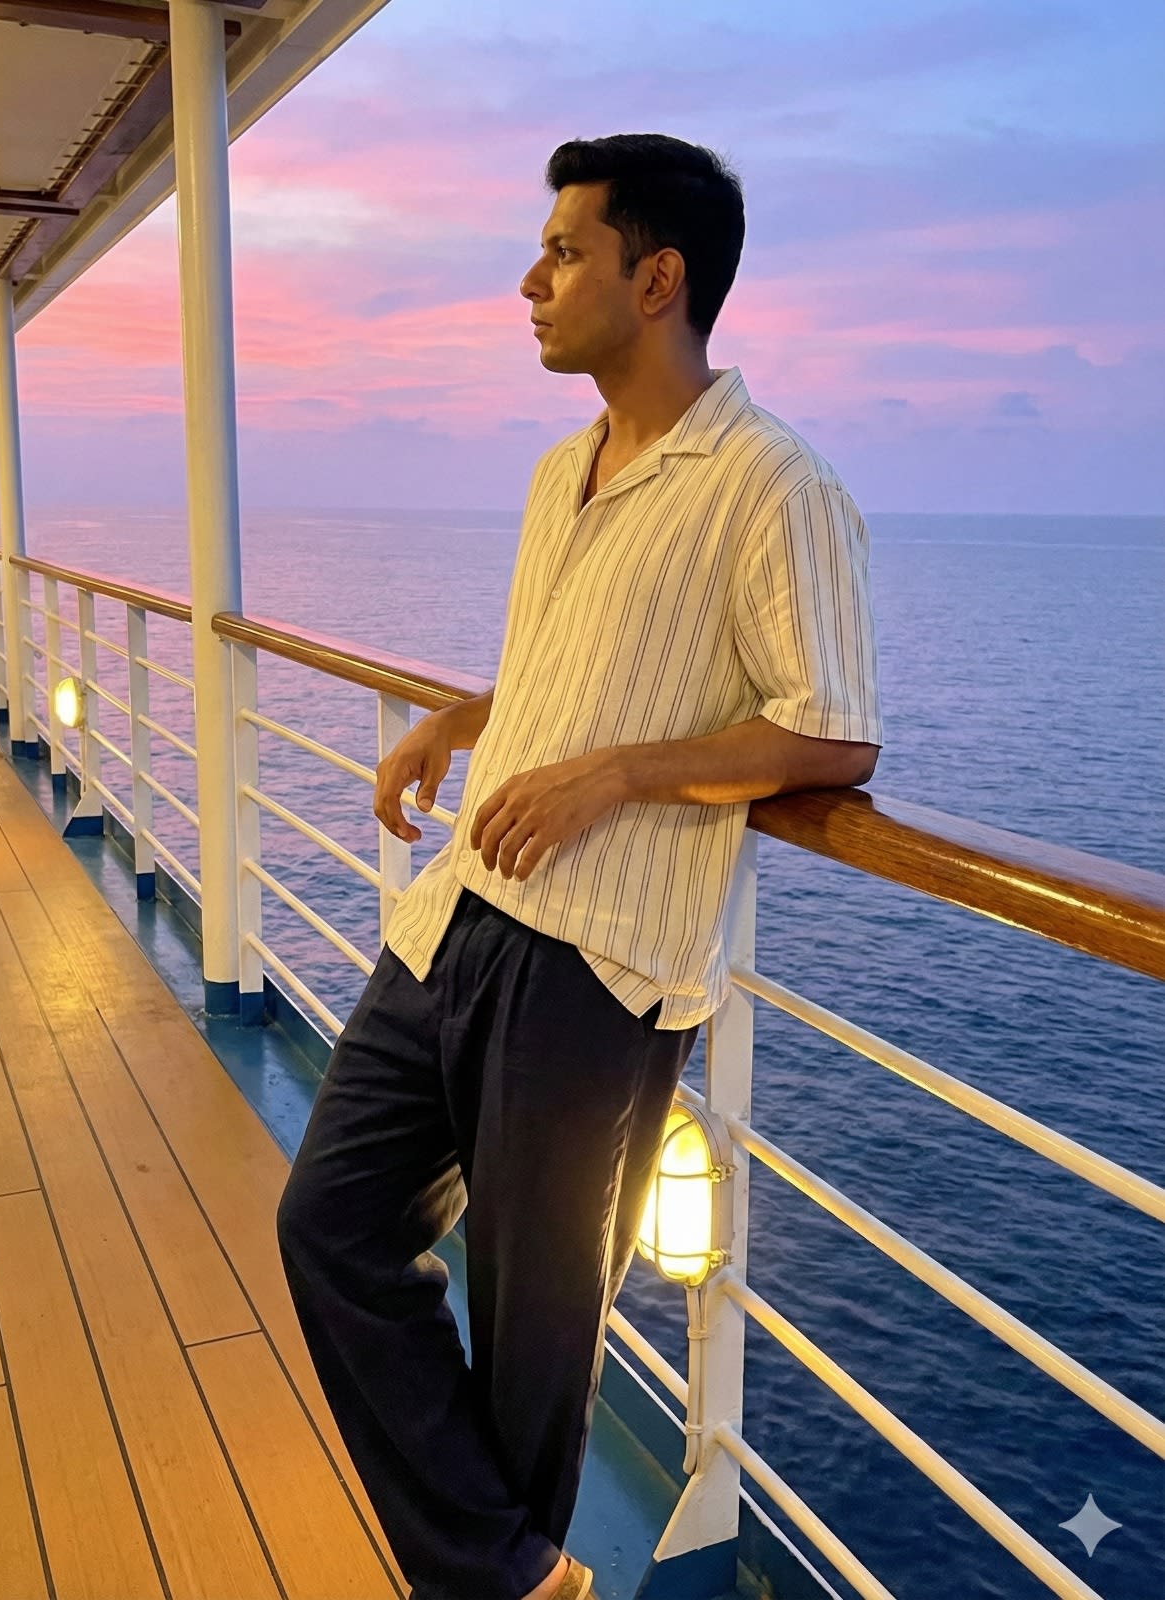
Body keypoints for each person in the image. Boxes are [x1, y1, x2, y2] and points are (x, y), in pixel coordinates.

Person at [276, 132, 883, 1600]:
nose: (529, 280)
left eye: (562, 252)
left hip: (597, 963)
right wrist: (469, 716)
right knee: (331, 1225)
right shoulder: (566, 471)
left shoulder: (768, 483)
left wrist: (620, 774)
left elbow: (834, 737)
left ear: (655, 277)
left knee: (535, 1339)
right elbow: (575, 660)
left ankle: (495, 1579)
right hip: (460, 918)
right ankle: (512, 1576)